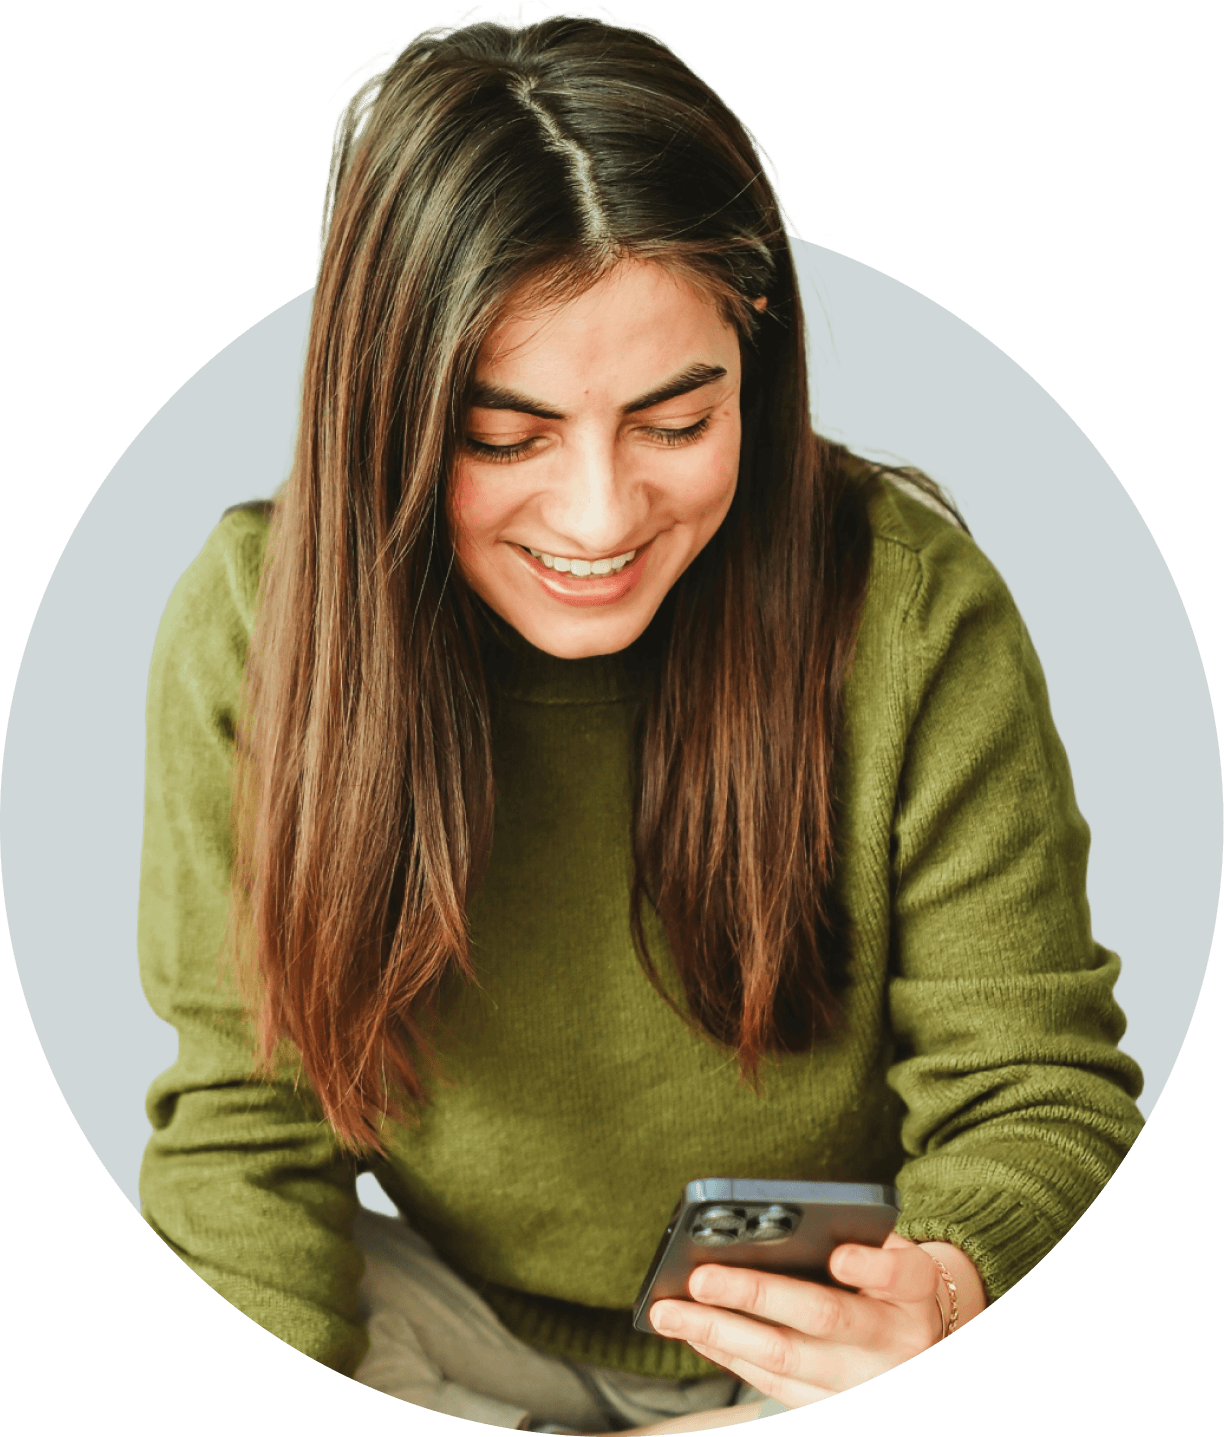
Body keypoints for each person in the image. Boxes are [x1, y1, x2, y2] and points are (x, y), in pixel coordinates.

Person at [137, 11, 1144, 1431]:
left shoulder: (915, 613)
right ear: (387, 409)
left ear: (757, 355)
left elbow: (1037, 1089)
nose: (602, 518)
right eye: (506, 436)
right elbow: (245, 1143)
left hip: (809, 1340)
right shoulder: (252, 623)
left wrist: (949, 1287)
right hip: (445, 1322)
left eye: (678, 422)